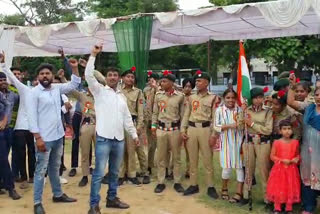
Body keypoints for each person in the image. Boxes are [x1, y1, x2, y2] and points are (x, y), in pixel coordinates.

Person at [86, 46, 139, 214]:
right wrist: (93, 55)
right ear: (106, 78)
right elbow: (88, 75)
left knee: (115, 172)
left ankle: (112, 198)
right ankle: (94, 205)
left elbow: (127, 118)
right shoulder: (99, 91)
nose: (112, 77)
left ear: (119, 79)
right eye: (110, 75)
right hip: (103, 138)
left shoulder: (122, 96)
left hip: (119, 139)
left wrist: (134, 134)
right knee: (99, 173)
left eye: (115, 75)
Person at [28, 59, 80, 214]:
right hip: (44, 139)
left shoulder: (56, 88)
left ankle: (57, 194)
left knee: (55, 167)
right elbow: (31, 117)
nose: (45, 76)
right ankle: (37, 202)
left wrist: (75, 68)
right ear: (37, 77)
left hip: (58, 136)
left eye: (47, 73)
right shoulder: (34, 93)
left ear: (52, 75)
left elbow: (74, 84)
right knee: (40, 170)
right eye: (42, 74)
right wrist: (38, 138)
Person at [181, 70, 219, 199]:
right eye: (196, 81)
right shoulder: (191, 97)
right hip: (192, 128)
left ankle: (210, 186)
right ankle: (193, 184)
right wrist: (183, 130)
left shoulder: (213, 97)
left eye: (199, 81)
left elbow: (215, 118)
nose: (196, 83)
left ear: (206, 83)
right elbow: (186, 114)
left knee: (207, 159)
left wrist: (214, 134)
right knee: (192, 159)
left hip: (205, 129)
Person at [287, 73, 320, 214]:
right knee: (307, 176)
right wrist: (292, 85)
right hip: (308, 150)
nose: (319, 97)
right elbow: (290, 102)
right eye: (317, 95)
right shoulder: (308, 107)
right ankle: (308, 207)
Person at [1, 64, 36, 190]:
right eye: (37, 80)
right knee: (20, 154)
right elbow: (13, 78)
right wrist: (4, 65)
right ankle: (23, 178)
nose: (38, 82)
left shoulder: (42, 93)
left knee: (32, 152)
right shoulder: (25, 89)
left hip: (33, 128)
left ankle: (32, 176)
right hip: (20, 127)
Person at [152, 70, 185, 194]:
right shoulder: (158, 95)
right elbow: (155, 112)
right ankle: (161, 181)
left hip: (175, 130)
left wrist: (183, 130)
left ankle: (177, 181)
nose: (161, 83)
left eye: (164, 81)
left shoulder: (180, 96)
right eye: (161, 81)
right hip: (161, 130)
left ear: (172, 82)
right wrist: (153, 126)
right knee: (161, 157)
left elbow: (182, 115)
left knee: (176, 157)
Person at [240, 87, 273, 209]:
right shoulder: (246, 110)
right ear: (251, 99)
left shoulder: (268, 111)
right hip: (248, 142)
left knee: (264, 170)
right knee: (248, 169)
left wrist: (252, 124)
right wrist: (241, 113)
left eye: (260, 97)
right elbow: (240, 125)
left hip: (262, 142)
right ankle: (246, 195)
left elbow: (268, 130)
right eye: (255, 98)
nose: (258, 100)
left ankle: (268, 198)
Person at [119, 67, 150, 185]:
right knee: (121, 150)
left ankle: (132, 174)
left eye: (132, 77)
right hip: (119, 124)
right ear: (122, 78)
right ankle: (121, 174)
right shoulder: (118, 91)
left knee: (132, 150)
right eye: (128, 76)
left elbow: (141, 111)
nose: (130, 79)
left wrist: (139, 126)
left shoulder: (138, 92)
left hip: (132, 123)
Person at [214, 89, 244, 203]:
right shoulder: (219, 110)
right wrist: (230, 125)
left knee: (239, 167)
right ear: (223, 98)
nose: (230, 100)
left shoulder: (240, 110)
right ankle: (224, 188)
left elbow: (242, 126)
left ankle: (238, 192)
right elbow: (216, 126)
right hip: (226, 142)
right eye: (228, 98)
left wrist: (240, 124)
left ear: (236, 99)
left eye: (232, 98)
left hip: (239, 142)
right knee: (226, 167)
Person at [266, 120, 300, 214]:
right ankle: (277, 207)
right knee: (278, 187)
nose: (287, 131)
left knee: (290, 187)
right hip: (279, 169)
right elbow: (272, 156)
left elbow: (297, 155)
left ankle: (289, 207)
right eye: (284, 129)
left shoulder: (295, 142)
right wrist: (281, 160)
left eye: (289, 129)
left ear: (292, 130)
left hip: (291, 170)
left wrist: (296, 159)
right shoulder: (277, 142)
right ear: (280, 131)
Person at [143, 71, 159, 176]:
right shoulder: (145, 90)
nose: (150, 81)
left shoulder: (161, 89)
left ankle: (165, 167)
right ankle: (150, 165)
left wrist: (156, 87)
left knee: (162, 145)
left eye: (152, 79)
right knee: (151, 145)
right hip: (149, 120)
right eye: (149, 80)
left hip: (160, 121)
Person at [181, 78, 195, 179]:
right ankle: (171, 169)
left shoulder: (194, 98)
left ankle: (189, 170)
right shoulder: (179, 97)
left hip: (189, 126)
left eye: (189, 86)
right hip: (177, 125)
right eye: (185, 86)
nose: (187, 88)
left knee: (189, 150)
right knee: (175, 149)